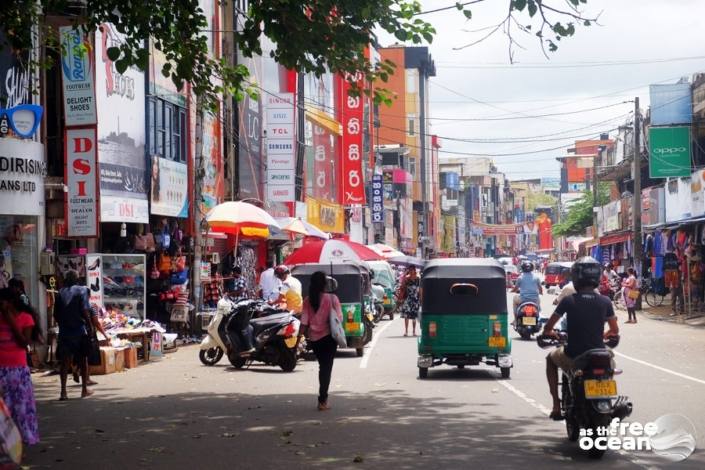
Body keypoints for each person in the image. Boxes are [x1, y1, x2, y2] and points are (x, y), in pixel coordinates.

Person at [541, 257, 620, 420]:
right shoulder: (605, 301)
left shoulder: (569, 300)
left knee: (550, 359)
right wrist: (603, 336)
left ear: (576, 277)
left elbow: (549, 327)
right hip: (599, 353)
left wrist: (550, 332)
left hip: (574, 355)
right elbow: (614, 330)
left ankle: (556, 405)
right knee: (609, 367)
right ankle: (607, 399)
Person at [297, 271, 343, 411]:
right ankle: (322, 400)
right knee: (326, 368)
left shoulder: (307, 300)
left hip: (315, 339)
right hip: (330, 338)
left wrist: (298, 337)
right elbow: (339, 318)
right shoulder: (332, 298)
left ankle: (322, 399)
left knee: (322, 367)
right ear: (324, 283)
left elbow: (304, 322)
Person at [0, 288, 39, 445]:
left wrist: (10, 320)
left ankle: (21, 441)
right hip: (1, 370)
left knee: (21, 408)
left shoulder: (26, 318)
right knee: (4, 410)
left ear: (9, 303)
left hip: (18, 370)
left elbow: (24, 343)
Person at [55, 271, 95, 400]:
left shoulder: (60, 292)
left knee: (65, 362)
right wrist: (90, 326)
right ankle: (84, 390)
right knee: (83, 360)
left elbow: (55, 314)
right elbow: (85, 310)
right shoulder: (82, 290)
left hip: (65, 332)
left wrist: (63, 323)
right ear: (77, 279)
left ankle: (63, 392)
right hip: (79, 330)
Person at [399, 266, 420, 336]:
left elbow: (420, 289)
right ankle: (406, 331)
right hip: (408, 299)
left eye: (412, 270)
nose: (411, 271)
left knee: (414, 316)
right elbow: (402, 288)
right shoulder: (406, 279)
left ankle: (414, 331)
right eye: (410, 270)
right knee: (406, 316)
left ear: (414, 271)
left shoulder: (418, 279)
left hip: (415, 299)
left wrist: (421, 298)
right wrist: (404, 278)